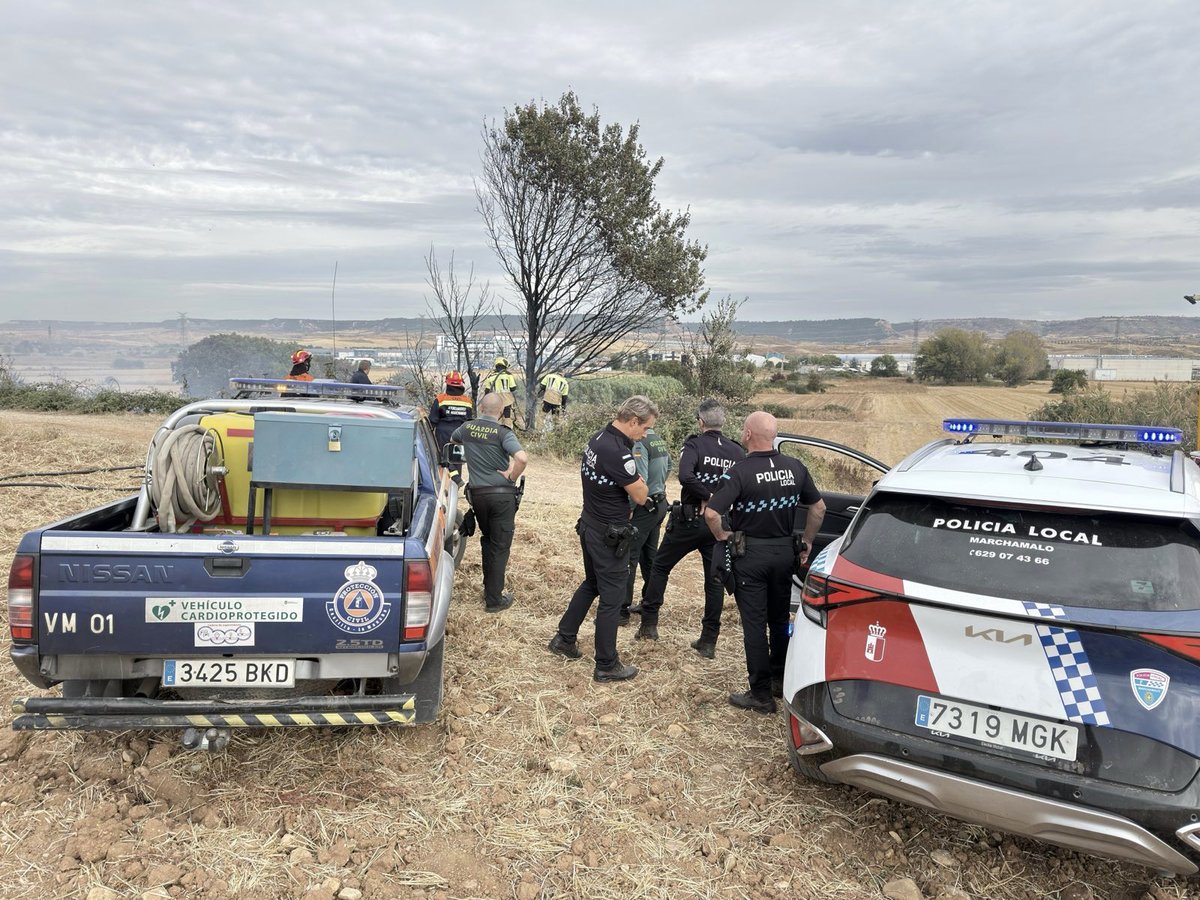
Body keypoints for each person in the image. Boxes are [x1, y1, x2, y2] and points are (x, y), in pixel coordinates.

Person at [704, 411, 826, 714]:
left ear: (747, 434)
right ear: (773, 436)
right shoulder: (795, 467)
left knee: (755, 626)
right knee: (780, 620)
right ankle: (779, 679)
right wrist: (808, 541)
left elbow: (712, 513)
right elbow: (819, 508)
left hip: (751, 557)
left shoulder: (739, 472)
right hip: (784, 554)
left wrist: (722, 536)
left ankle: (760, 694)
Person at [548, 395, 659, 682]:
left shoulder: (598, 438)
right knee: (612, 597)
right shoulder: (618, 452)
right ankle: (607, 664)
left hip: (590, 525)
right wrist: (641, 484)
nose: (645, 434)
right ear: (633, 421)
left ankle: (564, 638)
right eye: (645, 428)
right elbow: (641, 495)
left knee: (593, 583)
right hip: (609, 534)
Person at [634, 399, 745, 657]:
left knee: (660, 567)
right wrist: (719, 502)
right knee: (714, 580)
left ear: (701, 422)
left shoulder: (694, 444)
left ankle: (648, 625)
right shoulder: (736, 451)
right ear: (723, 422)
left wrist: (707, 496)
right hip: (719, 523)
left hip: (690, 519)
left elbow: (685, 476)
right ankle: (708, 640)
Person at [452, 392, 528, 612]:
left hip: (478, 496)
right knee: (500, 546)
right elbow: (522, 458)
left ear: (481, 408)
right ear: (501, 411)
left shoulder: (466, 428)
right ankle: (494, 600)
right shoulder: (503, 433)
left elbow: (453, 441)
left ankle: (489, 589)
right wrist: (511, 476)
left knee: (488, 541)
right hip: (501, 497)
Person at [623, 425, 670, 636]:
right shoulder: (658, 440)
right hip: (659, 503)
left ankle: (621, 610)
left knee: (628, 556)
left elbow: (638, 479)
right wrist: (658, 485)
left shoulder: (640, 444)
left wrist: (630, 508)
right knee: (650, 558)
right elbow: (669, 467)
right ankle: (648, 603)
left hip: (645, 506)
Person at [429, 371, 474, 485]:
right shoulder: (467, 401)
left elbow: (433, 420)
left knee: (443, 457)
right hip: (460, 432)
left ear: (447, 384)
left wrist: (429, 434)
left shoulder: (440, 399)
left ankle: (449, 481)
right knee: (457, 458)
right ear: (461, 385)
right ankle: (455, 483)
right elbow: (469, 420)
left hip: (443, 432)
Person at [481, 357, 518, 427]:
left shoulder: (490, 377)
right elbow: (513, 388)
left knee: (494, 418)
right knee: (507, 418)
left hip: (495, 402)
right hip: (507, 401)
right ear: (505, 366)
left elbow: (487, 391)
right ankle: (507, 431)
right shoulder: (508, 375)